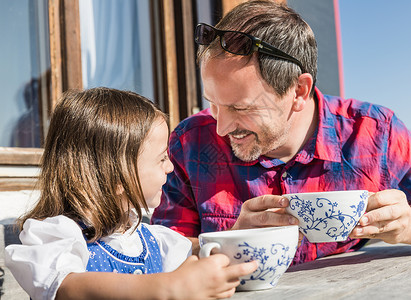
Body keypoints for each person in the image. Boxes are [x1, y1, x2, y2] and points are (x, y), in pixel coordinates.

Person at [151, 0, 411, 264]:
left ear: (298, 90)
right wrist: (229, 241)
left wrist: (407, 224)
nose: (221, 127)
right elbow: (158, 253)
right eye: (214, 104)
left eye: (241, 108)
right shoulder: (190, 143)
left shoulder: (373, 133)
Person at [5, 87, 257, 300]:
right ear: (117, 178)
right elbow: (65, 288)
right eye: (161, 159)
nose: (170, 166)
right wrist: (169, 288)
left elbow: (201, 249)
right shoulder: (58, 235)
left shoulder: (148, 239)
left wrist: (241, 235)